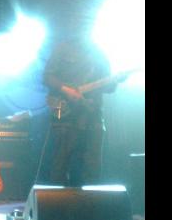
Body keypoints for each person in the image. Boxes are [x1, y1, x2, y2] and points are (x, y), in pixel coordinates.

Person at [36, 14, 123, 186]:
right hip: (66, 113)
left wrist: (115, 81)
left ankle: (89, 199)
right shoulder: (63, 48)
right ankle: (57, 198)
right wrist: (67, 90)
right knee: (61, 160)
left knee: (92, 163)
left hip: (92, 114)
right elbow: (47, 77)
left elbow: (109, 88)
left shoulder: (100, 53)